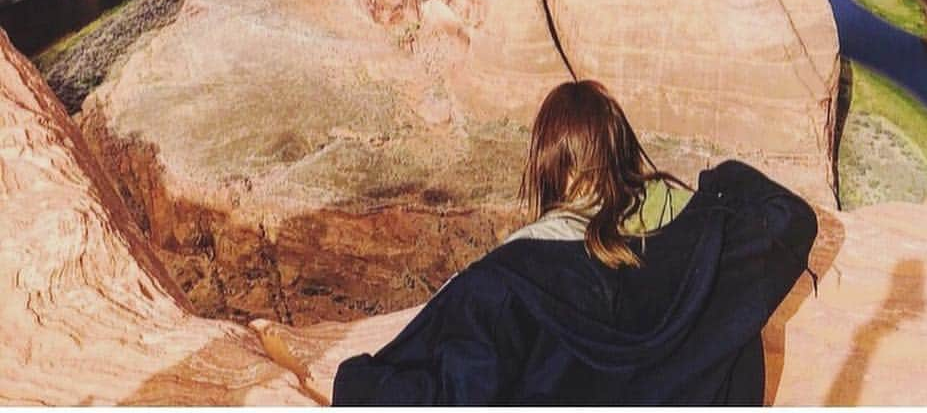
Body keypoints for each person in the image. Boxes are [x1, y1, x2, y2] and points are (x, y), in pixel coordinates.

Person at [333, 79, 817, 405]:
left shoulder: (513, 276)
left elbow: (457, 385)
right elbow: (789, 217)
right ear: (621, 151)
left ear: (548, 165)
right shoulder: (702, 247)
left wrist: (356, 383)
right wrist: (718, 185)